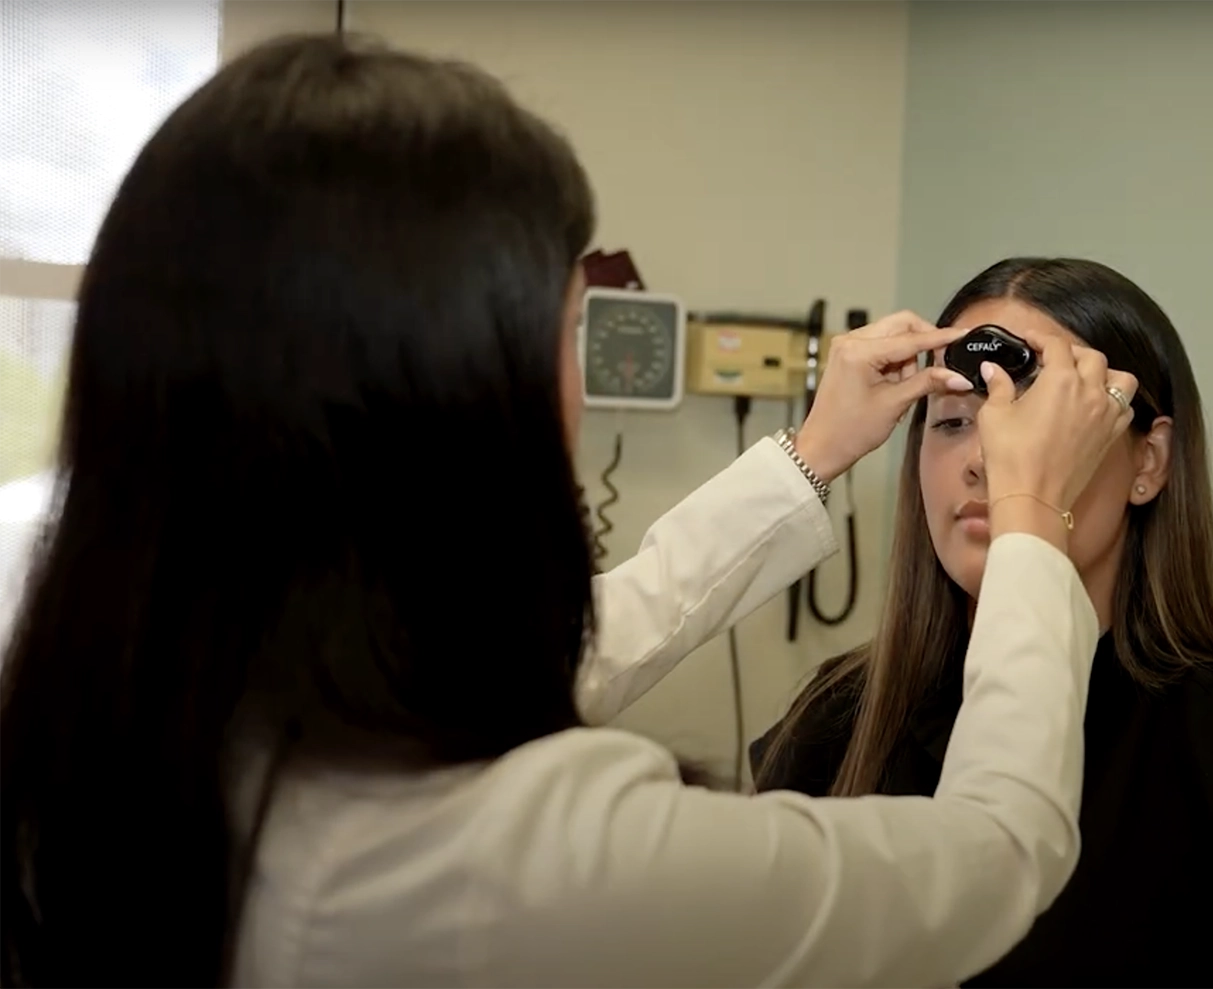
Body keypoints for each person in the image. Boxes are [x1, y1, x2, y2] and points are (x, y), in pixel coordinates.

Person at [0, 37, 1144, 989]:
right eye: (566, 334)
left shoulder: (139, 700)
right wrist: (1037, 511)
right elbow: (995, 856)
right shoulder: (504, 857)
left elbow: (586, 639)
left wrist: (809, 453)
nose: (579, 388)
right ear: (451, 393)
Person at [753, 257, 1213, 988]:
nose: (982, 460)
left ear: (1147, 462)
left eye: (1035, 423)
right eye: (954, 421)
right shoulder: (833, 723)